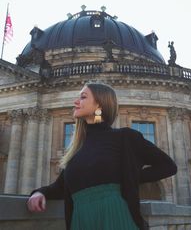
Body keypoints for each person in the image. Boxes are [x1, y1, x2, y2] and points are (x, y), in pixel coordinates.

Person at [27, 82, 177, 230]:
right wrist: (40, 192)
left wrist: (129, 176)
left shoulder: (125, 137)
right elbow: (60, 187)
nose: (76, 102)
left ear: (99, 105)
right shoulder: (76, 149)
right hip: (81, 221)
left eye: (83, 97)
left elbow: (168, 166)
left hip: (116, 217)